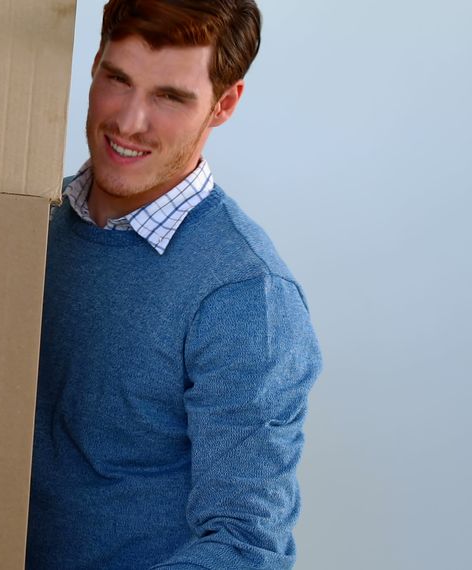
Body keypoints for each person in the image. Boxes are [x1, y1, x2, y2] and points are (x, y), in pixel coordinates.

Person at [25, 1, 322, 568]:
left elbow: (245, 548)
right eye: (119, 80)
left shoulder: (244, 295)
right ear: (94, 64)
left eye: (169, 96)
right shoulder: (24, 227)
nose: (129, 122)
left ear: (224, 104)